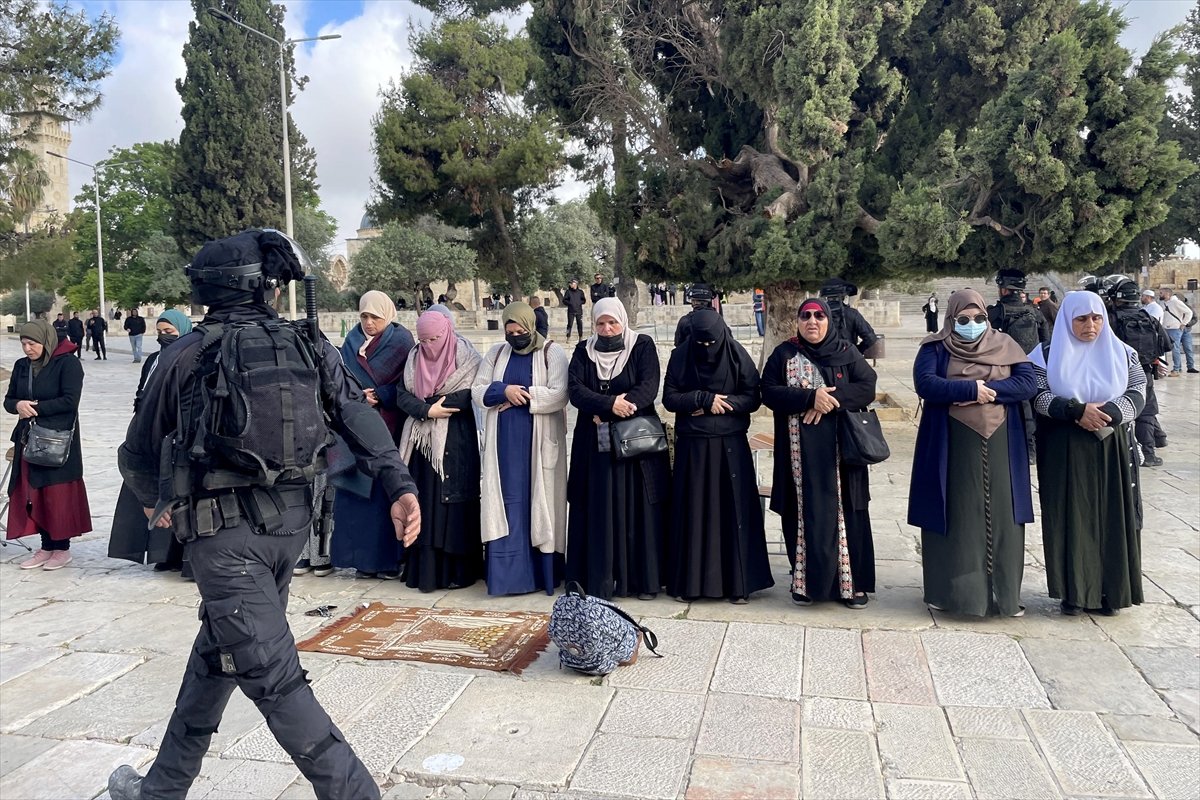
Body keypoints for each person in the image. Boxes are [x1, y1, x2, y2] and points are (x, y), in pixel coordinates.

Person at [107, 230, 420, 800]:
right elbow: (355, 412)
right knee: (220, 652)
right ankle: (161, 789)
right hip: (290, 532)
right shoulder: (306, 343)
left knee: (274, 680)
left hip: (223, 542)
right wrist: (399, 485)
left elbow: (136, 452)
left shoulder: (183, 353)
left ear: (208, 289)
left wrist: (157, 502)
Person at [908, 290, 1037, 617]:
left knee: (1004, 516)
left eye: (979, 318)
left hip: (1002, 442)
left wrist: (985, 393)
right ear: (951, 319)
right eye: (963, 320)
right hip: (949, 444)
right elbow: (926, 384)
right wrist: (969, 389)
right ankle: (949, 593)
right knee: (955, 513)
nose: (972, 324)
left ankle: (1003, 596)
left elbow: (1026, 384)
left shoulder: (1005, 344)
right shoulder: (935, 347)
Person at [1029, 291, 1145, 617]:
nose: (1090, 325)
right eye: (1081, 319)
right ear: (1068, 320)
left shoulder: (1124, 353)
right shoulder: (1045, 354)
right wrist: (1075, 410)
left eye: (1096, 318)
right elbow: (1038, 393)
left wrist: (1107, 413)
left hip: (1110, 444)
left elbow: (1137, 392)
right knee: (1070, 516)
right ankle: (1074, 592)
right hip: (1064, 445)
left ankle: (1112, 592)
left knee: (1113, 516)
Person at [761, 298, 878, 609]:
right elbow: (768, 391)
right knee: (803, 514)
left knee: (847, 515)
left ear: (829, 320)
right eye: (806, 316)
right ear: (798, 321)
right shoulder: (784, 354)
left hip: (842, 454)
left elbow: (867, 386)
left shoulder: (845, 351)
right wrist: (808, 398)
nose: (812, 321)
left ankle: (851, 586)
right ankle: (806, 584)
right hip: (800, 457)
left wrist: (830, 401)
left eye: (818, 316)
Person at [662, 308, 772, 603]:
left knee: (732, 510)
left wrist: (721, 406)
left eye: (712, 343)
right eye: (701, 344)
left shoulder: (736, 355)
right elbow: (669, 398)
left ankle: (738, 583)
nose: (707, 349)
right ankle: (691, 584)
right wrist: (702, 398)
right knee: (694, 511)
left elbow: (753, 396)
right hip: (693, 447)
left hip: (730, 446)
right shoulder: (681, 356)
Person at [566, 298, 670, 600]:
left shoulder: (642, 345)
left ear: (623, 320)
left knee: (636, 507)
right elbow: (575, 390)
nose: (607, 329)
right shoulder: (583, 350)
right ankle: (598, 580)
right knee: (598, 504)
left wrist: (614, 409)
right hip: (594, 441)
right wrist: (610, 403)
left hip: (633, 440)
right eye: (601, 323)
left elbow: (649, 386)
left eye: (612, 322)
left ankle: (641, 581)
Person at [472, 302, 569, 596]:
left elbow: (559, 394)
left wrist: (522, 395)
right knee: (507, 506)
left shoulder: (551, 353)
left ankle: (543, 577)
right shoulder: (496, 353)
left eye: (521, 331)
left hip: (540, 445)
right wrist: (503, 390)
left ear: (531, 328)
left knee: (540, 506)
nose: (516, 336)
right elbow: (478, 390)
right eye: (510, 331)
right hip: (504, 447)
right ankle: (508, 579)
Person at [326, 291, 416, 579]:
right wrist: (355, 395)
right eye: (364, 316)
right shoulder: (351, 341)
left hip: (385, 427)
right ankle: (358, 561)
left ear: (387, 315)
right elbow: (338, 377)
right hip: (353, 428)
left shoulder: (401, 342)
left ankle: (386, 562)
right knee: (354, 497)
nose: (368, 322)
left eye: (374, 317)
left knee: (384, 495)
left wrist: (380, 394)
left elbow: (408, 382)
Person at [396, 309, 484, 592]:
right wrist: (426, 409)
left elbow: (469, 393)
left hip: (456, 441)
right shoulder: (412, 358)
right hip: (421, 445)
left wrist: (436, 407)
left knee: (454, 505)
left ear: (446, 333)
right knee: (425, 503)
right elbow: (402, 395)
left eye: (435, 338)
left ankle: (457, 572)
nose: (429, 346)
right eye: (424, 340)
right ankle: (426, 571)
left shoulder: (467, 357)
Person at [108, 310, 195, 572]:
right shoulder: (154, 360)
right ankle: (164, 554)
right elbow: (143, 391)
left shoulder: (194, 357)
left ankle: (188, 559)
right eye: (159, 333)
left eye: (169, 332)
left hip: (182, 436)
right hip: (154, 435)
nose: (164, 338)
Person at [4, 319, 92, 570]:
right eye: (23, 343)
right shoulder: (22, 366)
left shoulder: (68, 364)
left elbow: (69, 401)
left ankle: (61, 548)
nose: (27, 349)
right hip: (28, 438)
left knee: (56, 494)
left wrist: (35, 409)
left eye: (32, 343)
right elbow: (9, 400)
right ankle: (46, 546)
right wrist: (18, 406)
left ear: (46, 341)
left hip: (57, 438)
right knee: (35, 493)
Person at [987, 269, 1050, 354]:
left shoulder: (992, 314)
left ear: (1004, 290)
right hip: (1030, 364)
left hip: (1003, 364)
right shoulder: (1035, 312)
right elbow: (1045, 343)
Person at [819, 278, 879, 354]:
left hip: (823, 360)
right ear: (844, 296)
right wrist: (857, 351)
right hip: (848, 358)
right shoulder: (853, 314)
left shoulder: (818, 314)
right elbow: (870, 338)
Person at [1159, 287, 1196, 375]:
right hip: (1166, 328)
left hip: (1175, 329)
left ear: (1167, 294)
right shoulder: (1163, 303)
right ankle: (1177, 368)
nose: (1159, 294)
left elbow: (1189, 312)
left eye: (1161, 293)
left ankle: (1176, 369)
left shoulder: (1176, 302)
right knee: (1171, 349)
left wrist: (1184, 323)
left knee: (1175, 349)